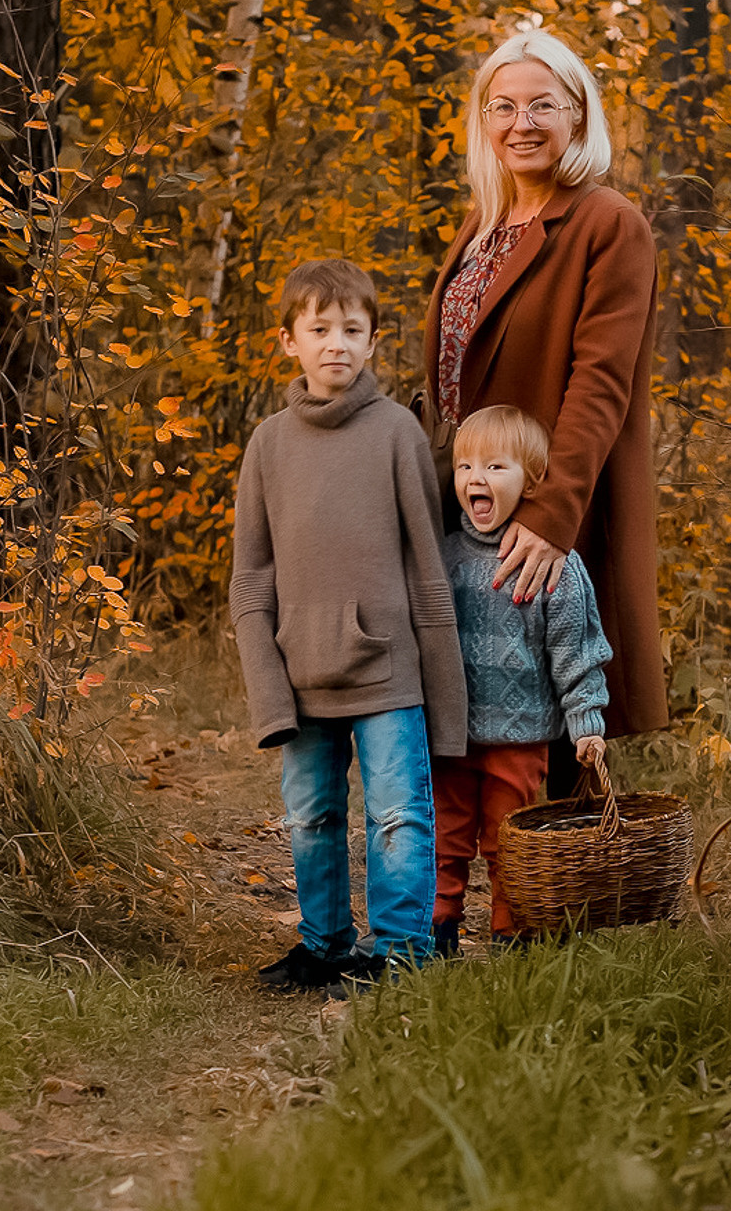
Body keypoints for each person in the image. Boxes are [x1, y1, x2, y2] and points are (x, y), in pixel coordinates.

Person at [420, 28, 665, 798]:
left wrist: (553, 514)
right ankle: (504, 880)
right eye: (503, 107)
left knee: (557, 697)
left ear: (578, 117)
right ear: (483, 121)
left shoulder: (606, 221)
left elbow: (602, 382)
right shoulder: (481, 225)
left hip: (551, 496)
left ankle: (561, 897)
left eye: (542, 106)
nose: (521, 123)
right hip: (477, 501)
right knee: (491, 703)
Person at [229, 258, 467, 991]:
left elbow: (430, 570)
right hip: (302, 676)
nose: (337, 343)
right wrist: (269, 693)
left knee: (399, 815)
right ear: (288, 341)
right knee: (311, 817)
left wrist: (444, 696)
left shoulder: (396, 433)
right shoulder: (268, 445)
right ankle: (324, 946)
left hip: (388, 670)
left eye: (353, 330)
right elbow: (250, 579)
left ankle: (401, 950)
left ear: (372, 342)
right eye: (320, 329)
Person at [432, 406, 612, 955]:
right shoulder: (443, 555)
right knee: (445, 834)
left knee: (508, 838)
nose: (475, 479)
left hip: (520, 734)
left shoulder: (550, 563)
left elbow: (575, 649)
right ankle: (437, 928)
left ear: (532, 481)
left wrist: (586, 723)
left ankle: (511, 931)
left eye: (495, 467)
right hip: (451, 735)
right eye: (465, 467)